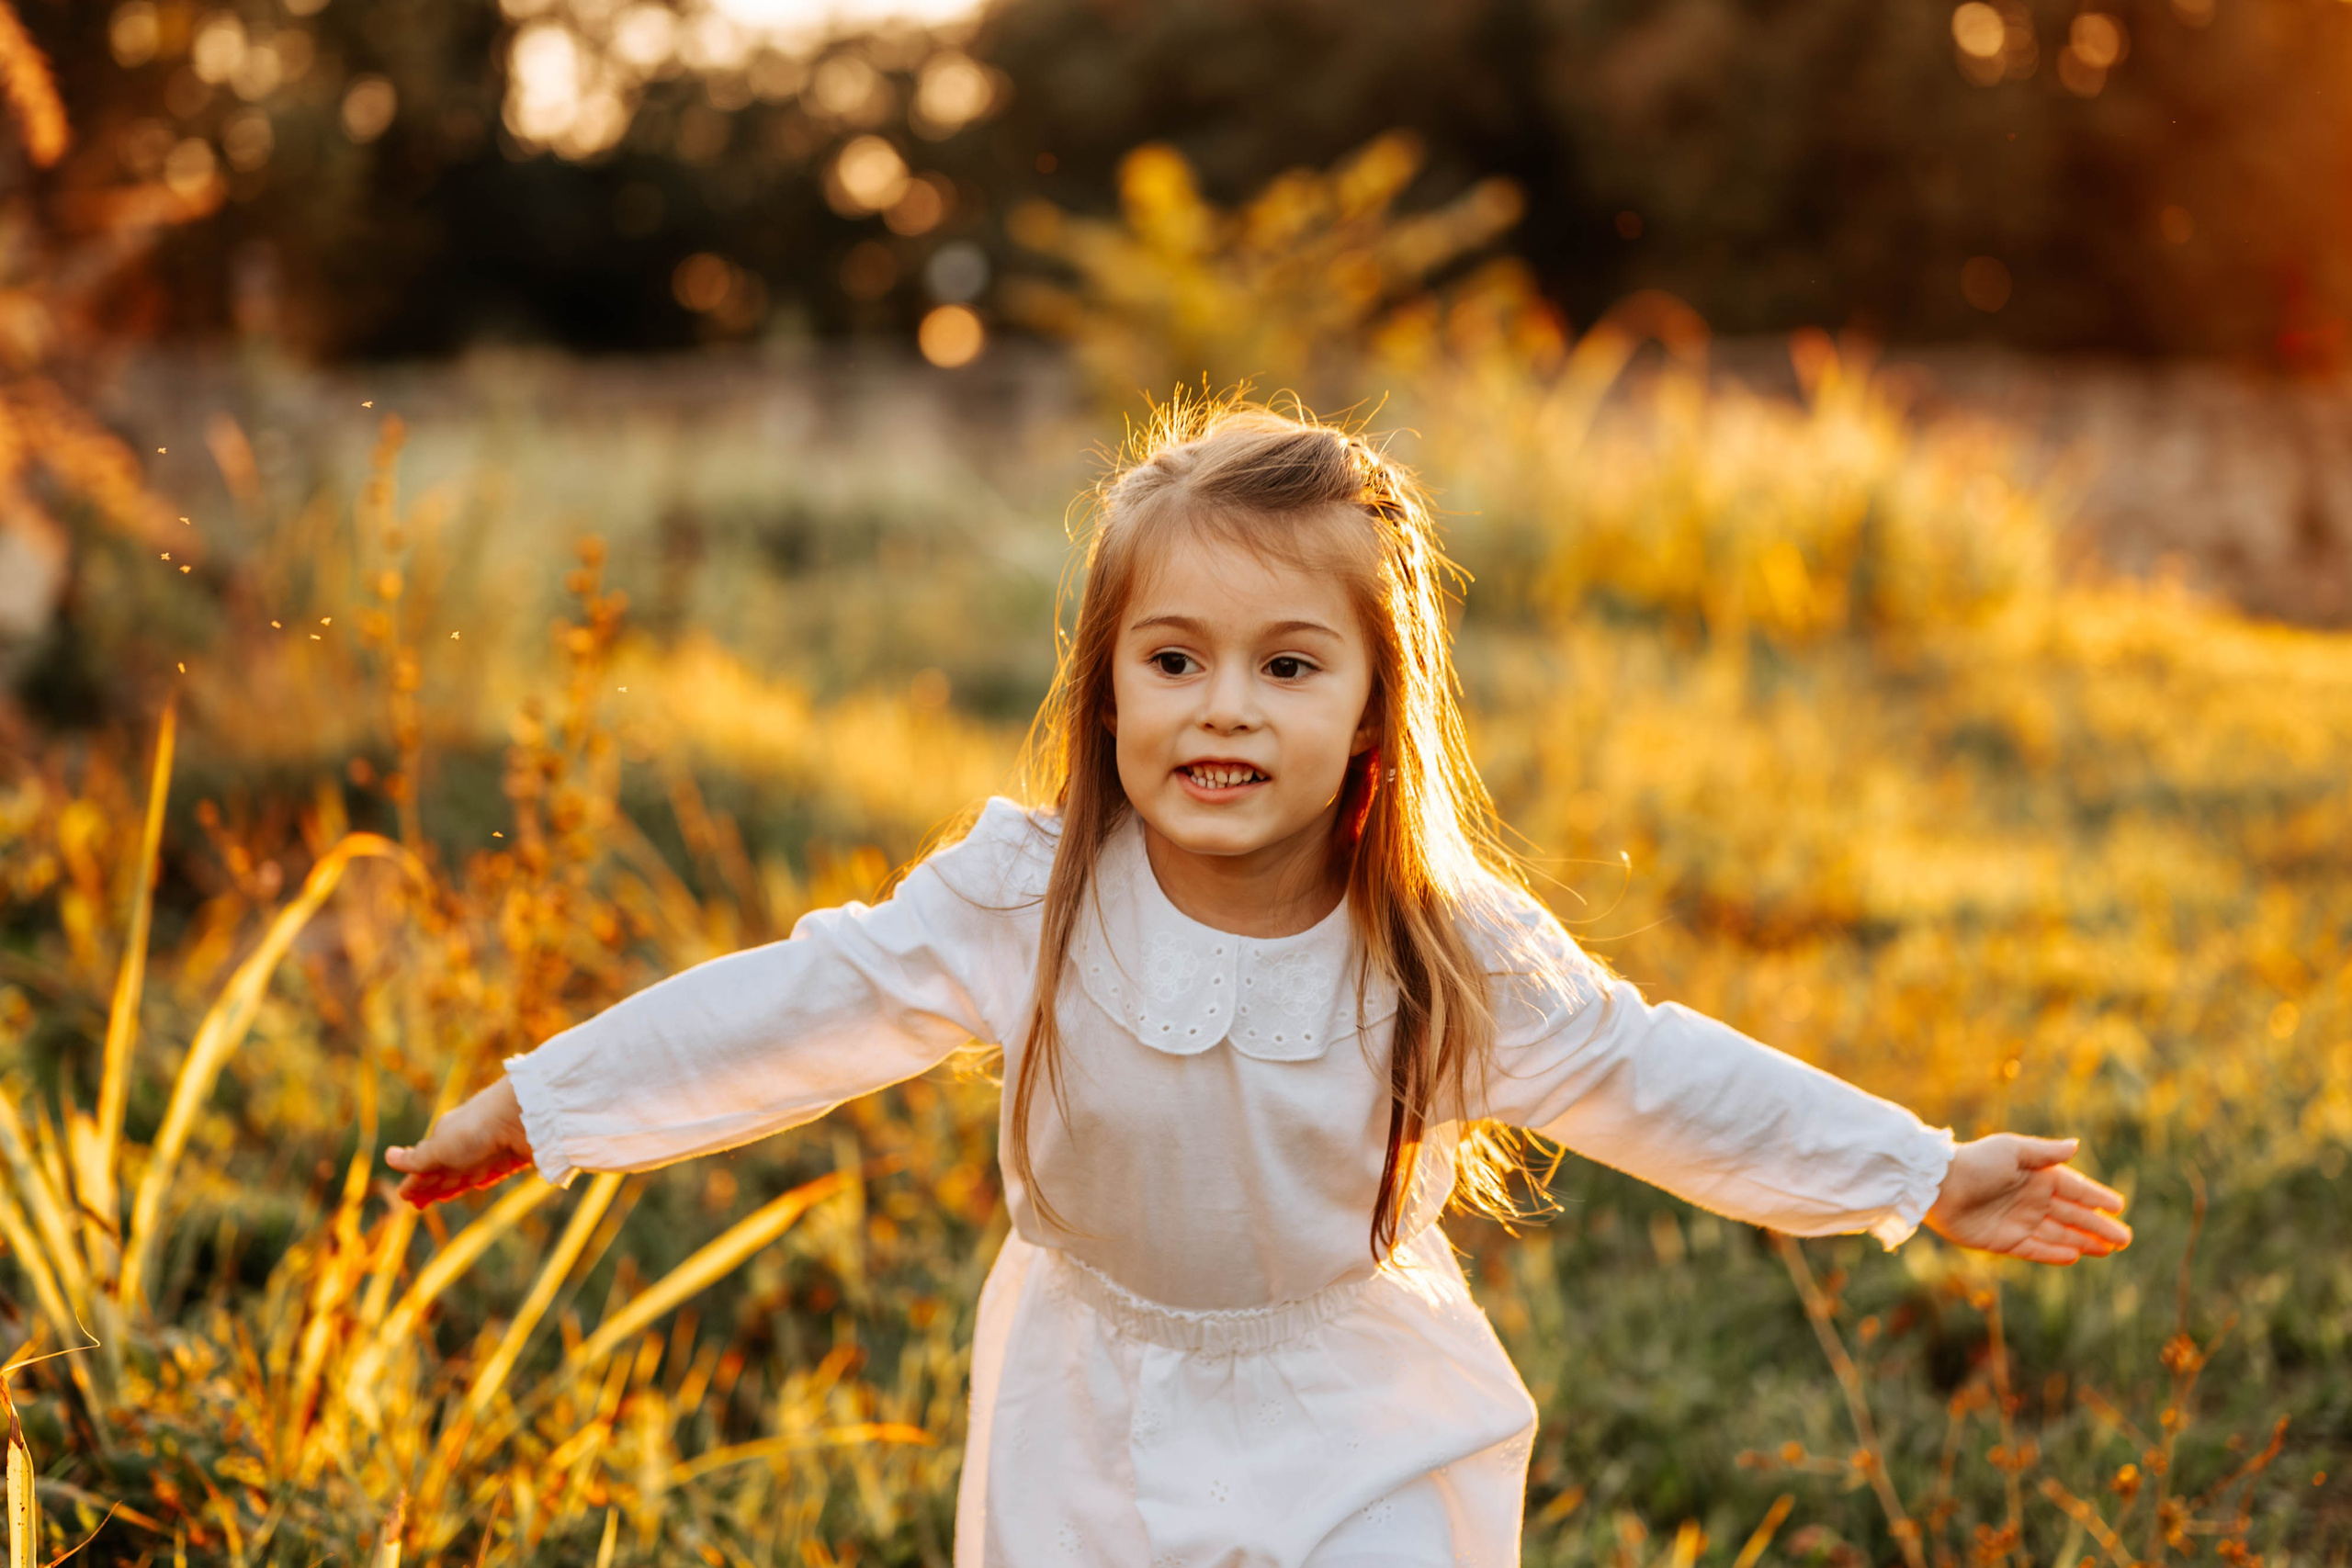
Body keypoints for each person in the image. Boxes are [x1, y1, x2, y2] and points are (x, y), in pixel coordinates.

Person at [387, 401, 2131, 1566]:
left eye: (1288, 665)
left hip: (1347, 1396)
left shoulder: (1443, 951)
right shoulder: (1031, 898)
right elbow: (791, 1007)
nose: (1224, 707)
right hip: (1089, 1399)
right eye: (1175, 659)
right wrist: (544, 1108)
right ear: (1109, 690)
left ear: (1373, 710)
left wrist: (1921, 1169)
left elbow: (1661, 1081)